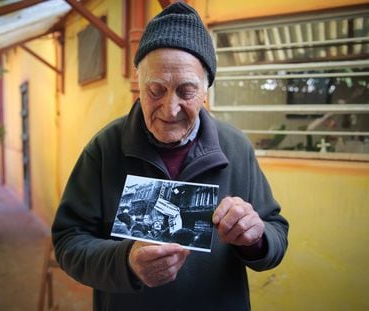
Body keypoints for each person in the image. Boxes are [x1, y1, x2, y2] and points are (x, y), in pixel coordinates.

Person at [52, 2, 289, 310]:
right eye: (156, 90)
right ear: (138, 83)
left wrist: (256, 238)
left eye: (186, 91)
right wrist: (126, 261)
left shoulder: (236, 148)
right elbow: (69, 241)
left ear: (206, 90)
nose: (170, 108)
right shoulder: (104, 149)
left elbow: (276, 233)